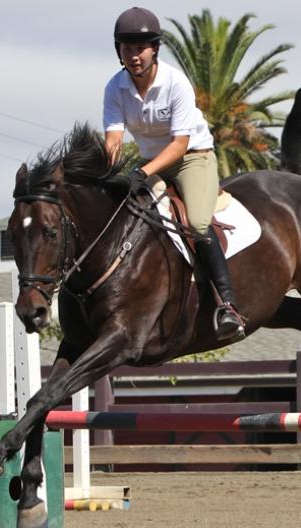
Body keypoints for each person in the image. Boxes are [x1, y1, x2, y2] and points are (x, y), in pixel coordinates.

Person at [103, 7, 245, 342]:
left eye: (140, 47)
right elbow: (113, 137)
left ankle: (228, 304)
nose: (134, 55)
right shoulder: (115, 88)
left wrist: (144, 170)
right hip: (152, 163)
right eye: (126, 48)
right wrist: (108, 168)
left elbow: (180, 145)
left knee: (196, 223)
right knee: (135, 215)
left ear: (155, 49)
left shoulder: (175, 82)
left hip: (192, 158)